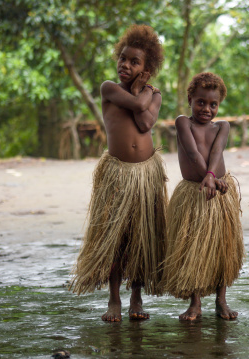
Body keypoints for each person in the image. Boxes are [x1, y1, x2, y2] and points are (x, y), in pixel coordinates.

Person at [69, 24, 167, 322]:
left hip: (146, 173)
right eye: (123, 58)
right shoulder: (110, 89)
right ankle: (114, 298)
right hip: (117, 174)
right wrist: (139, 90)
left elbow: (145, 124)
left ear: (147, 68)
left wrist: (144, 91)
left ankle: (136, 296)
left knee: (142, 237)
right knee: (116, 236)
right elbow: (138, 105)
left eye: (134, 62)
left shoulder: (155, 95)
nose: (125, 64)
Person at [162, 72, 244, 321]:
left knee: (221, 247)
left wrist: (212, 175)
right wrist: (208, 176)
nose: (206, 109)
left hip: (220, 192)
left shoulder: (223, 126)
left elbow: (217, 152)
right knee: (194, 248)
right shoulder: (182, 123)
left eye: (213, 104)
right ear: (190, 99)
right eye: (201, 102)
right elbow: (193, 152)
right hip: (195, 193)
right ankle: (195, 303)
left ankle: (221, 301)